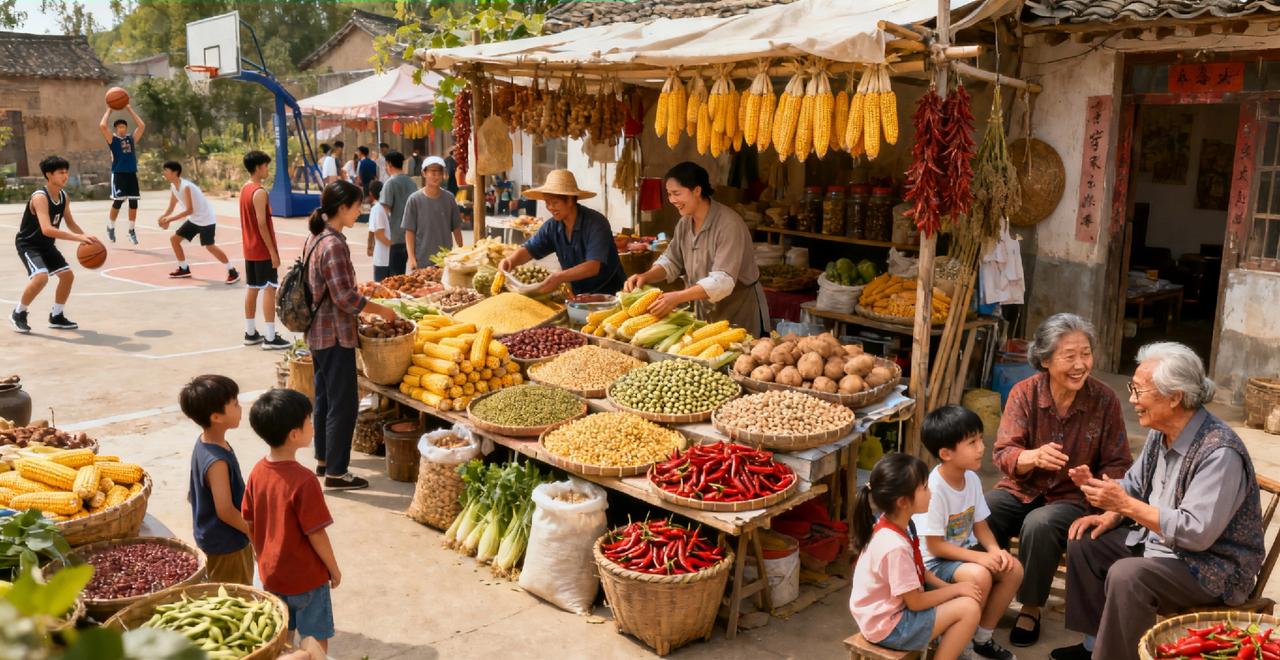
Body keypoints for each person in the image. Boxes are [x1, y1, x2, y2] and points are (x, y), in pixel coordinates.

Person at [1051, 343, 1264, 660]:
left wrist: (1124, 505)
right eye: (1132, 389)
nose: (1132, 400)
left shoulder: (1220, 452)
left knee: (1128, 576)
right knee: (1085, 542)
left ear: (1174, 397)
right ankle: (1094, 646)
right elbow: (1135, 486)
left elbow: (1196, 533)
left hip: (1211, 567)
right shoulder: (1161, 432)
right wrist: (1104, 498)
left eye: (1139, 391)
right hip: (1161, 546)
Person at [983, 313, 1132, 647]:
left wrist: (1094, 481)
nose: (1080, 365)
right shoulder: (1024, 393)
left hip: (1072, 497)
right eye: (1069, 356)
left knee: (1041, 523)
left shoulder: (1105, 399)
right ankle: (986, 589)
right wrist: (1031, 457)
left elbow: (1119, 463)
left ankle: (1030, 607)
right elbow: (1004, 451)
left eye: (1086, 354)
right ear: (1046, 359)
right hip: (1022, 487)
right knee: (985, 509)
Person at [304, 181, 397, 490]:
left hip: (318, 333)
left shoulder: (316, 236)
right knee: (343, 405)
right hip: (334, 335)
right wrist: (381, 310)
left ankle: (324, 460)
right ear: (342, 208)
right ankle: (337, 472)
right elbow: (344, 297)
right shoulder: (333, 244)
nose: (360, 211)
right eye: (358, 206)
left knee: (325, 399)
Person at [915, 405, 1022, 660]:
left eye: (980, 439)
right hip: (933, 564)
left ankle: (982, 638)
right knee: (979, 575)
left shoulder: (971, 479)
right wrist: (980, 558)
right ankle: (962, 647)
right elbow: (935, 546)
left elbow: (980, 524)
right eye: (972, 442)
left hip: (961, 555)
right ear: (946, 453)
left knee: (1013, 569)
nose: (982, 448)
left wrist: (995, 551)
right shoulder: (935, 488)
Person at [850, 453, 981, 660]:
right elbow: (916, 602)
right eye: (925, 488)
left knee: (959, 598)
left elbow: (919, 569)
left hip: (882, 617)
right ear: (903, 502)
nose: (931, 493)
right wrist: (955, 589)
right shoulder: (894, 546)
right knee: (969, 608)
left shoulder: (895, 524)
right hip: (890, 627)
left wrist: (948, 589)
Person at [624, 162, 770, 336]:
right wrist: (645, 276)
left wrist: (677, 297)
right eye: (669, 194)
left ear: (697, 191)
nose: (672, 200)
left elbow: (722, 281)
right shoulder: (685, 223)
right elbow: (671, 261)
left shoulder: (729, 224)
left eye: (676, 193)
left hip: (738, 311)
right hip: (705, 313)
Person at [244, 389, 340, 652]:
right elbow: (316, 533)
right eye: (309, 420)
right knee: (315, 640)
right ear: (294, 435)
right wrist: (333, 569)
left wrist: (262, 557)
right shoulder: (305, 481)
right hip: (307, 578)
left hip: (272, 574)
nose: (313, 425)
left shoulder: (257, 472)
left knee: (282, 636)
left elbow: (249, 523)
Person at [498, 169, 625, 296]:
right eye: (547, 203)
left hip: (611, 294)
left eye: (555, 202)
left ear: (570, 200)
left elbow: (593, 267)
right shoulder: (552, 226)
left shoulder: (596, 223)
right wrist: (510, 261)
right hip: (579, 296)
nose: (550, 208)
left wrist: (559, 277)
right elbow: (529, 250)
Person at [180, 374, 254, 585]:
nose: (240, 407)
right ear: (216, 417)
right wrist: (253, 533)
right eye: (235, 404)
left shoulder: (206, 443)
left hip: (216, 539)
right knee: (236, 595)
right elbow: (225, 511)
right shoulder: (217, 461)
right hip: (228, 545)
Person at [11, 155, 95, 334]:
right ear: (49, 175)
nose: (65, 176)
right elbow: (47, 229)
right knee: (41, 277)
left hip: (46, 245)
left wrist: (85, 235)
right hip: (29, 244)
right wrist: (78, 238)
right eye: (60, 172)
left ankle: (56, 316)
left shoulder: (64, 196)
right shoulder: (40, 197)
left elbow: (70, 223)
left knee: (67, 276)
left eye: (66, 172)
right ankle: (19, 313)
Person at [239, 150, 289, 350]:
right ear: (258, 167)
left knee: (252, 288)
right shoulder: (259, 192)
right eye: (266, 165)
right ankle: (270, 337)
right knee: (269, 289)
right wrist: (273, 252)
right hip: (261, 250)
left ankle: (250, 332)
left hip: (249, 249)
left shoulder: (245, 188)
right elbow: (262, 224)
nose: (268, 169)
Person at [158, 161, 238, 284]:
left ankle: (232, 271)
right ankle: (184, 268)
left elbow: (189, 210)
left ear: (175, 172)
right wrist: (163, 216)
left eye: (166, 171)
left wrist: (170, 219)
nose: (164, 173)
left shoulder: (186, 187)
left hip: (206, 219)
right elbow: (171, 206)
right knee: (174, 240)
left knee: (210, 246)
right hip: (194, 219)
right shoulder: (173, 186)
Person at [403, 156, 464, 272]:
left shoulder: (449, 198)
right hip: (421, 261)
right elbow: (409, 231)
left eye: (439, 172)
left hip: (445, 260)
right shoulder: (414, 199)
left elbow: (456, 228)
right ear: (424, 173)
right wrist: (411, 258)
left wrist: (462, 252)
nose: (436, 176)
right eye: (432, 172)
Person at [99, 105, 145, 245]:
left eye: (123, 126)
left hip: (131, 174)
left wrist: (129, 108)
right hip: (119, 174)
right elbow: (102, 126)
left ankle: (131, 231)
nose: (121, 128)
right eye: (119, 127)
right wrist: (109, 110)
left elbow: (141, 126)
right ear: (116, 129)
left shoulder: (131, 139)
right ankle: (110, 227)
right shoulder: (113, 140)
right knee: (118, 201)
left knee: (134, 202)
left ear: (126, 128)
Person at [378, 150, 415, 276]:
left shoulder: (390, 183)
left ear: (389, 164)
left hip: (395, 236)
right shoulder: (411, 182)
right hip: (411, 235)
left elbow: (384, 210)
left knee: (394, 277)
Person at [365, 181, 390, 281]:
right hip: (392, 257)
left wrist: (369, 247)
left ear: (371, 193)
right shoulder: (390, 207)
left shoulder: (376, 209)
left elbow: (373, 231)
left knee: (380, 285)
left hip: (381, 257)